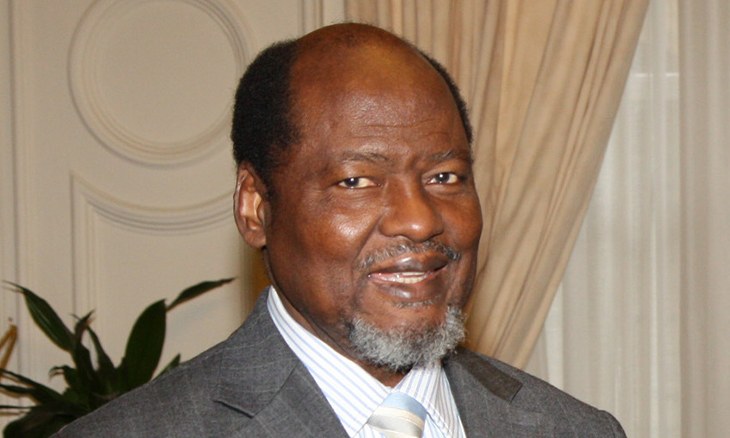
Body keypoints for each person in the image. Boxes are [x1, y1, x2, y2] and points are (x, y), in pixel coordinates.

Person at [53, 23, 626, 437]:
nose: (419, 219)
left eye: (445, 176)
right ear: (255, 207)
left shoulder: (575, 429)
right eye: (356, 181)